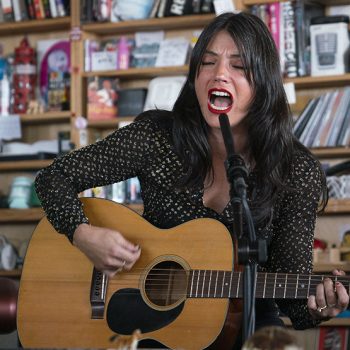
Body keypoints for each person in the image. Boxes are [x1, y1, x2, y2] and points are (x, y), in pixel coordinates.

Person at [35, 11, 349, 350]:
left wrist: (321, 305)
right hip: (144, 320)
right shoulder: (156, 137)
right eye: (208, 63)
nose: (220, 74)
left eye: (239, 66)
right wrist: (84, 235)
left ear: (265, 82)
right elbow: (53, 177)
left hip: (247, 319)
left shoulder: (294, 168)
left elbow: (295, 304)